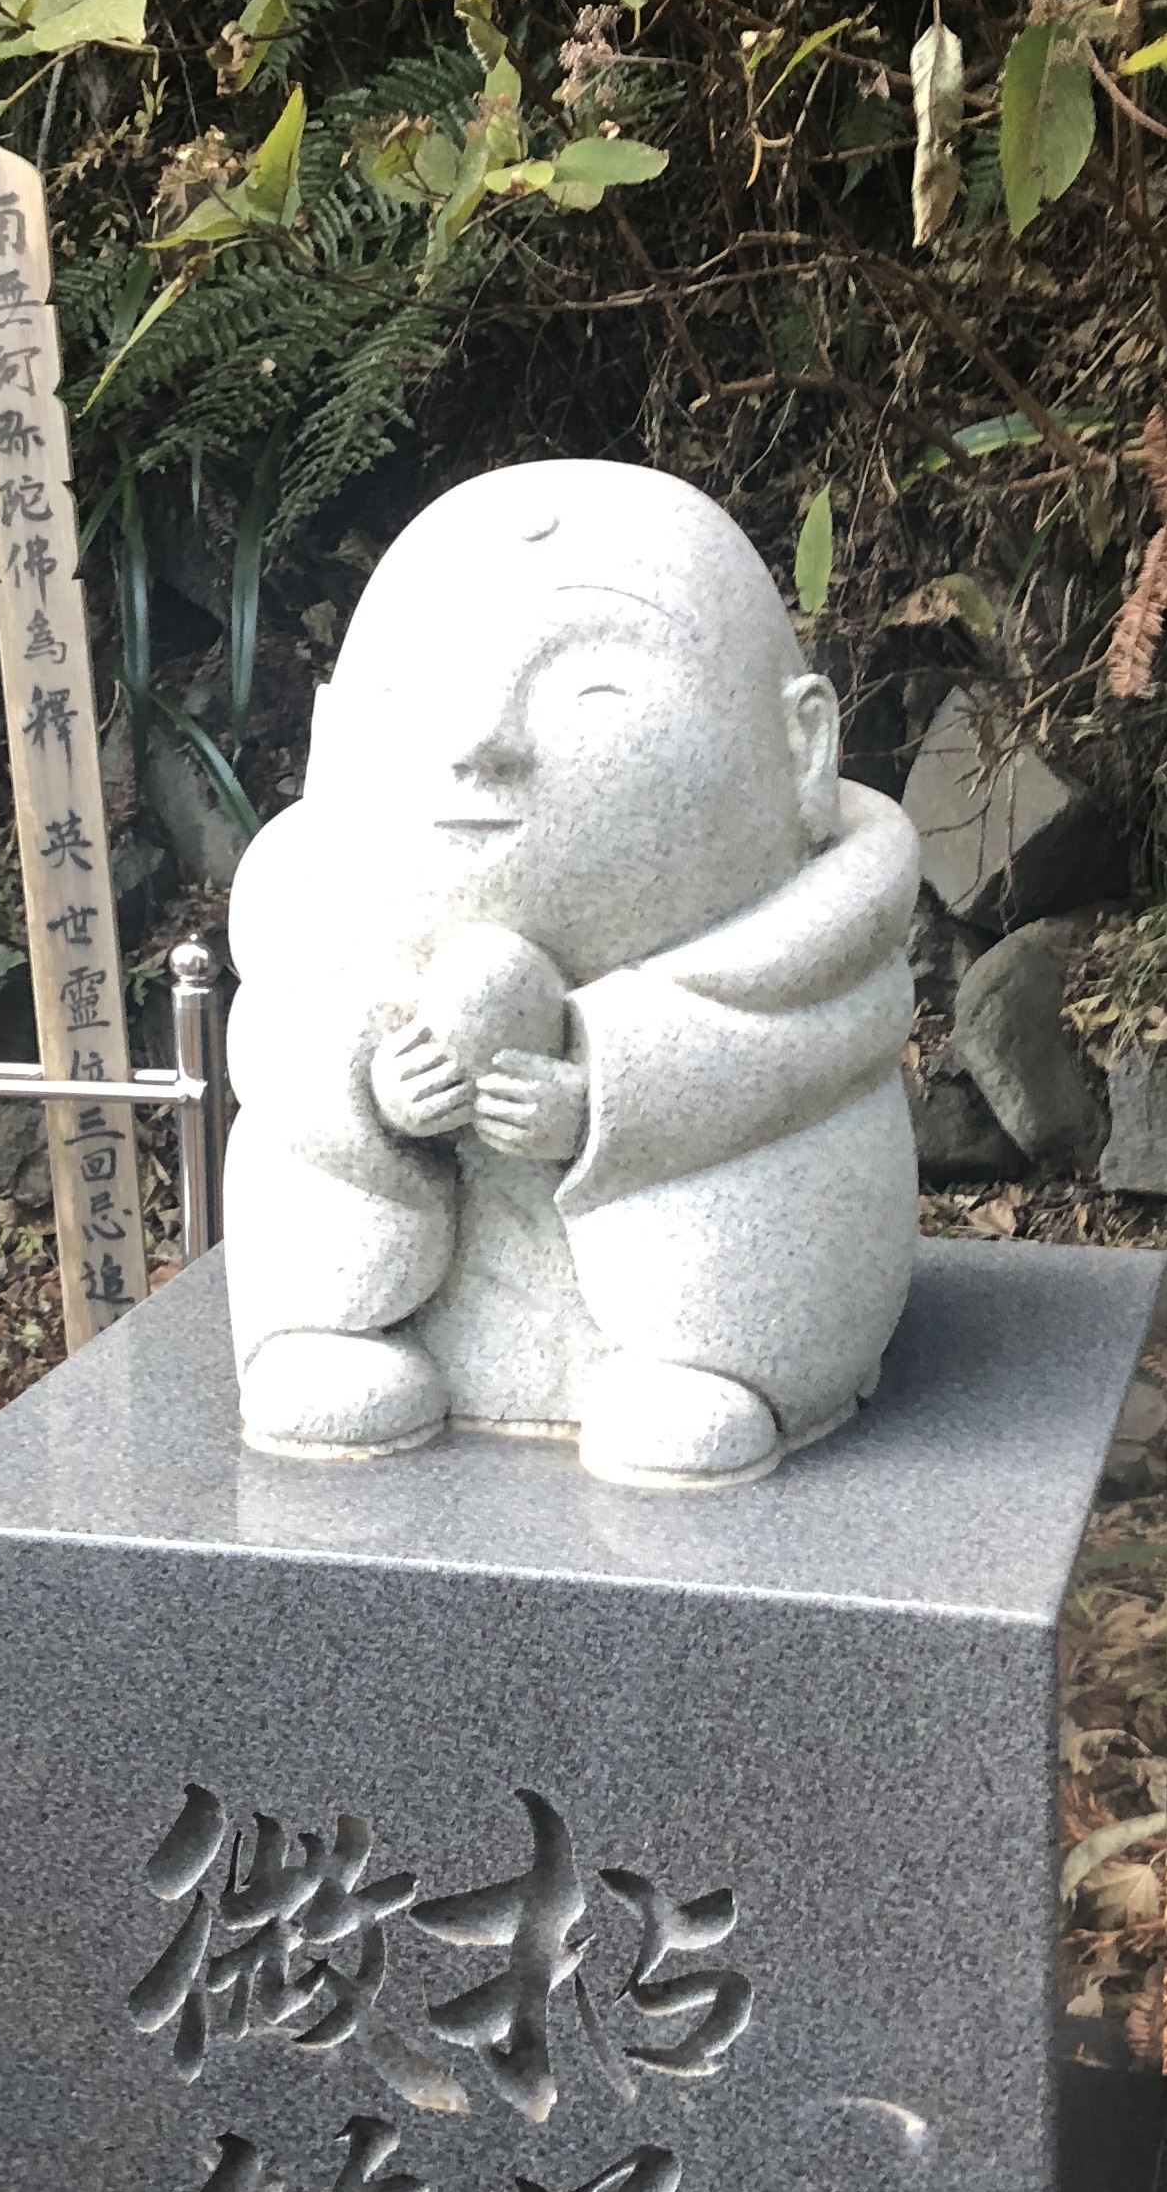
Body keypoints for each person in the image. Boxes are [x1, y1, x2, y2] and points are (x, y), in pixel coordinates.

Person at [223, 457, 919, 1487]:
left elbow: (774, 1063)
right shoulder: (301, 920)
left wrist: (606, 1098)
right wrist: (371, 1089)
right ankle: (319, 1334)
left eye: (595, 687)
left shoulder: (823, 953)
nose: (482, 741)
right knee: (308, 1105)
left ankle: (737, 1371)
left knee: (772, 1159)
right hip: (407, 1207)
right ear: (329, 741)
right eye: (424, 690)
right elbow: (283, 1053)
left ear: (802, 748)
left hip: (707, 1245)